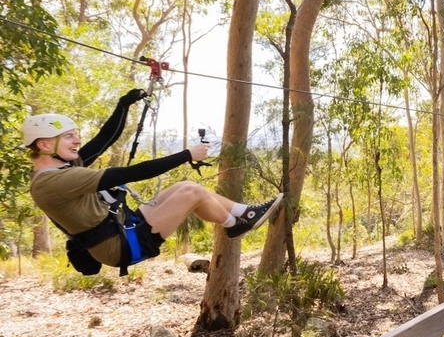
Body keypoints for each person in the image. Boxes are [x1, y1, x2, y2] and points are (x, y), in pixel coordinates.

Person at [23, 91, 283, 275]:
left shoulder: (63, 165)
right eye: (68, 137)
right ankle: (234, 223)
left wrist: (123, 105)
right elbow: (130, 173)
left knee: (184, 186)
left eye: (75, 135)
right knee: (191, 192)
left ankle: (243, 214)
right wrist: (187, 155)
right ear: (44, 145)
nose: (77, 141)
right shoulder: (54, 181)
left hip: (122, 226)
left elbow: (104, 140)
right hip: (119, 246)